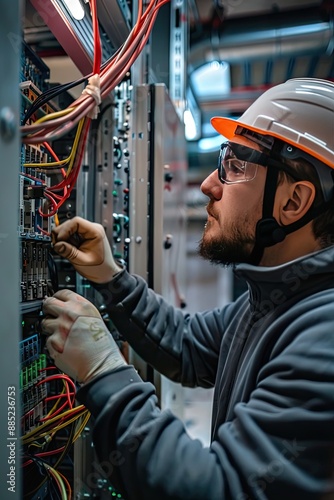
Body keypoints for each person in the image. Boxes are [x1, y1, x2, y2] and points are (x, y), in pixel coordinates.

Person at [42, 78, 334, 500]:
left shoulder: (322, 335)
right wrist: (111, 277)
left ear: (294, 202)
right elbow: (188, 345)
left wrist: (104, 372)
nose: (208, 186)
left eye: (235, 165)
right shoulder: (275, 301)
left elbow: (218, 489)